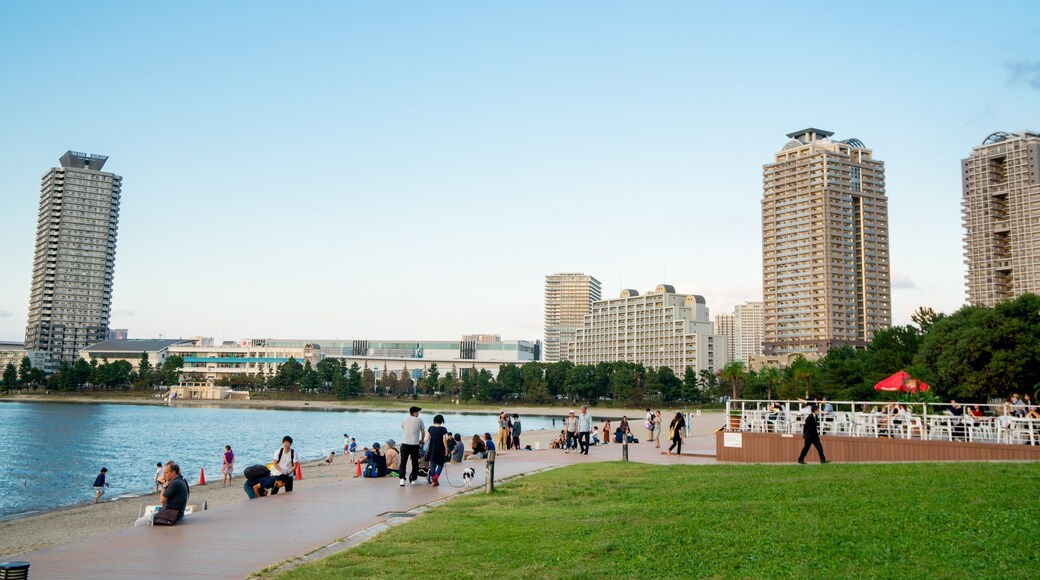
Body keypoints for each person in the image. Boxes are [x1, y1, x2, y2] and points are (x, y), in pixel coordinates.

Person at [400, 406, 425, 486]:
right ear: (414, 413)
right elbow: (423, 431)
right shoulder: (419, 420)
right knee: (415, 463)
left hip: (404, 443)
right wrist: (421, 440)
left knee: (403, 462)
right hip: (414, 444)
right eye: (418, 412)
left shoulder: (404, 419)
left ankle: (402, 479)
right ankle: (414, 479)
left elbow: (404, 428)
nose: (418, 414)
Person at [427, 414, 449, 487]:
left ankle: (433, 479)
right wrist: (446, 449)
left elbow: (427, 439)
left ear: (434, 420)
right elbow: (444, 440)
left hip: (432, 448)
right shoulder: (443, 429)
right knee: (441, 464)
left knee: (432, 464)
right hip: (440, 449)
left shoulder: (430, 428)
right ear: (441, 421)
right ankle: (435, 478)